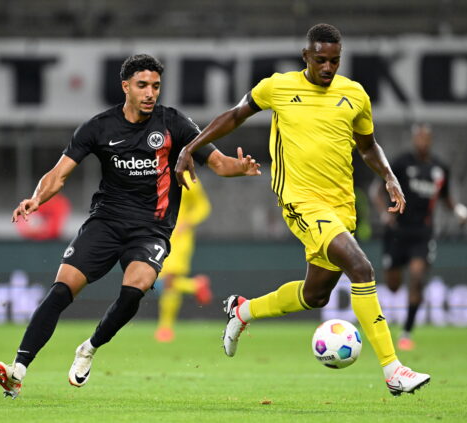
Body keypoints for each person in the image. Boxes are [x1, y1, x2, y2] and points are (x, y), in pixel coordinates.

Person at [175, 23, 430, 396]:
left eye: (335, 61)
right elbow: (233, 115)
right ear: (306, 57)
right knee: (361, 268)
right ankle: (393, 370)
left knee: (316, 296)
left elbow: (368, 145)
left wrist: (389, 176)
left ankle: (242, 311)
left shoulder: (354, 95)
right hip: (300, 201)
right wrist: (189, 147)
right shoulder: (277, 86)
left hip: (341, 206)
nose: (329, 68)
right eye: (322, 60)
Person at [0, 54, 261, 399]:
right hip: (105, 222)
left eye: (156, 86)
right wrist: (35, 199)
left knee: (135, 289)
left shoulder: (174, 124)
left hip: (151, 229)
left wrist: (240, 167)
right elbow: (59, 174)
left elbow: (219, 163)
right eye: (142, 85)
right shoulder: (98, 127)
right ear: (125, 87)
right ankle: (18, 370)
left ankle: (89, 348)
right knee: (62, 290)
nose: (150, 93)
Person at [371, 123, 467, 351]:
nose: (423, 141)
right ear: (414, 139)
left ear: (430, 140)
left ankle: (406, 332)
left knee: (416, 276)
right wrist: (383, 214)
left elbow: (445, 197)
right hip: (397, 231)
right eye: (419, 137)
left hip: (422, 233)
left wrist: (457, 211)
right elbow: (376, 190)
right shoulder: (401, 163)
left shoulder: (439, 169)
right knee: (393, 285)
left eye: (426, 138)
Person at [154, 174, 212, 342]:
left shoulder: (186, 175)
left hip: (179, 238)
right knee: (161, 281)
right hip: (158, 234)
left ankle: (165, 328)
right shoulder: (154, 171)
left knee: (168, 280)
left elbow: (203, 206)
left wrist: (187, 223)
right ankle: (194, 286)